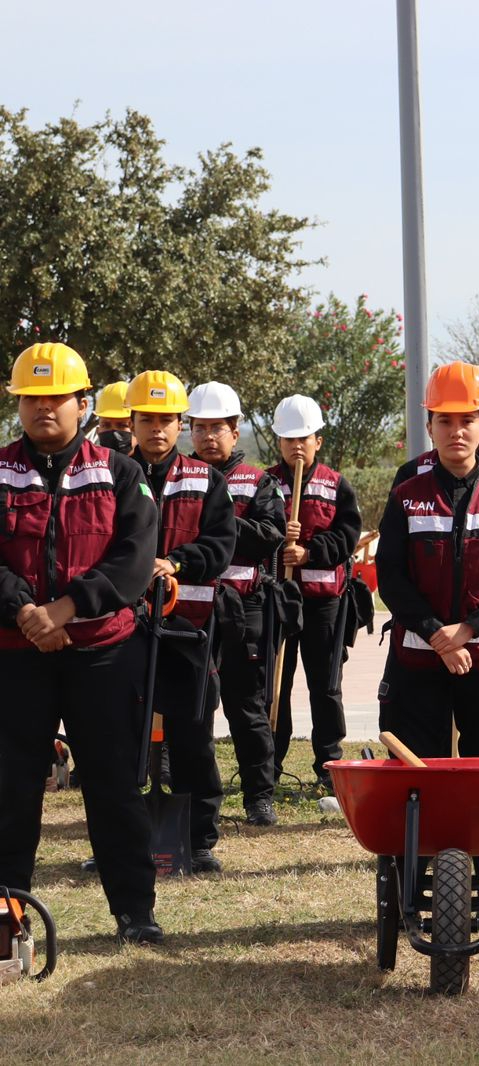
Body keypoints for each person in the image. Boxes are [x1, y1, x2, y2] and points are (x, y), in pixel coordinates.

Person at [0, 343, 163, 942]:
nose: (44, 408)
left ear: (83, 403)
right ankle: (6, 917)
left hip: (104, 654)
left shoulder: (122, 473)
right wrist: (27, 613)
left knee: (113, 785)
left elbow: (133, 559)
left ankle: (134, 913)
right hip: (17, 656)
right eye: (31, 399)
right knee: (11, 788)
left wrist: (65, 610)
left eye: (56, 397)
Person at [376, 363, 479, 757]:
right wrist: (439, 636)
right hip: (419, 655)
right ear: (430, 426)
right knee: (416, 769)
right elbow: (391, 576)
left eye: (468, 419)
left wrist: (469, 629)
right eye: (445, 420)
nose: (457, 431)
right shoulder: (406, 494)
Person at [127, 370, 237, 873]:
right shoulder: (109, 474)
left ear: (180, 424)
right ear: (132, 422)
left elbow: (221, 545)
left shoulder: (206, 480)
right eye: (147, 419)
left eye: (166, 419)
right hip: (121, 630)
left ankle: (200, 839)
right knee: (119, 737)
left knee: (193, 735)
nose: (157, 429)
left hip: (188, 629)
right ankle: (120, 837)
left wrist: (176, 561)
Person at [188, 381, 286, 827]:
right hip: (188, 607)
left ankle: (258, 797)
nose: (209, 436)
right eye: (201, 427)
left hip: (244, 608)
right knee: (190, 705)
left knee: (246, 706)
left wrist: (222, 517)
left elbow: (271, 536)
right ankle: (186, 793)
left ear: (235, 431)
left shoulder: (259, 481)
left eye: (218, 428)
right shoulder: (179, 478)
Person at [267, 394, 361, 789]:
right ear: (279, 442)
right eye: (289, 439)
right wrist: (277, 540)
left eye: (304, 437)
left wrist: (308, 552)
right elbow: (248, 534)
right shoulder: (265, 483)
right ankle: (269, 763)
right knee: (276, 684)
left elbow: (347, 537)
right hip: (280, 599)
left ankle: (329, 764)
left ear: (317, 440)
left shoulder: (337, 485)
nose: (297, 445)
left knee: (325, 685)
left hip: (325, 603)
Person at [94, 380, 134, 454]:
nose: (113, 432)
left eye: (122, 425)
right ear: (98, 431)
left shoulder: (154, 464)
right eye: (106, 425)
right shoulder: (86, 463)